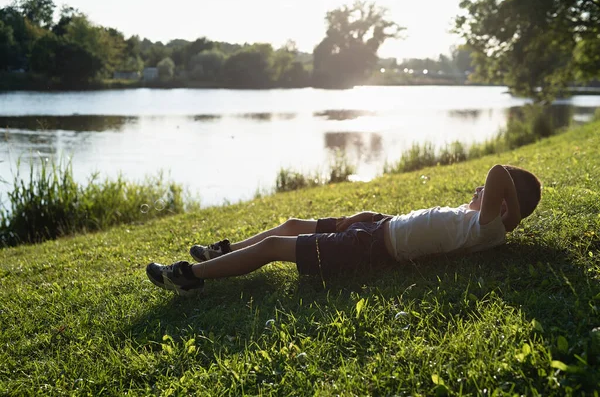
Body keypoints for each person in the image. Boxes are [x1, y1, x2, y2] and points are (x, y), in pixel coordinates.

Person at [146, 164, 541, 295]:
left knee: (273, 247)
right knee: (292, 224)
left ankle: (187, 277)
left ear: (503, 206)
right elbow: (423, 227)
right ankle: (223, 253)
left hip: (366, 249)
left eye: (486, 193)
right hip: (376, 230)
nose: (478, 189)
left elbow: (498, 174)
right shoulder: (474, 222)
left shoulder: (489, 229)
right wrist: (375, 216)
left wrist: (513, 214)